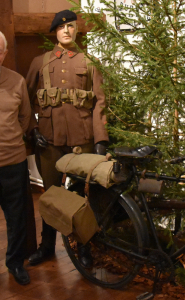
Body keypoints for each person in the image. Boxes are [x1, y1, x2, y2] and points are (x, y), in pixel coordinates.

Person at [26, 10, 109, 267]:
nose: (67, 31)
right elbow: (25, 100)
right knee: (51, 195)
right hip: (49, 142)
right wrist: (32, 129)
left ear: (76, 30)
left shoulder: (89, 62)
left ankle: (84, 248)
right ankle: (47, 246)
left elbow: (100, 102)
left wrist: (100, 138)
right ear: (55, 31)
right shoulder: (39, 63)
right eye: (62, 28)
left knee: (83, 198)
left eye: (71, 27)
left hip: (81, 142)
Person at [0, 31, 31, 285]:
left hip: (13, 161)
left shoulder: (17, 81)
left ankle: (15, 263)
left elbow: (25, 118)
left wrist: (11, 139)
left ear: (4, 54)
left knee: (17, 216)